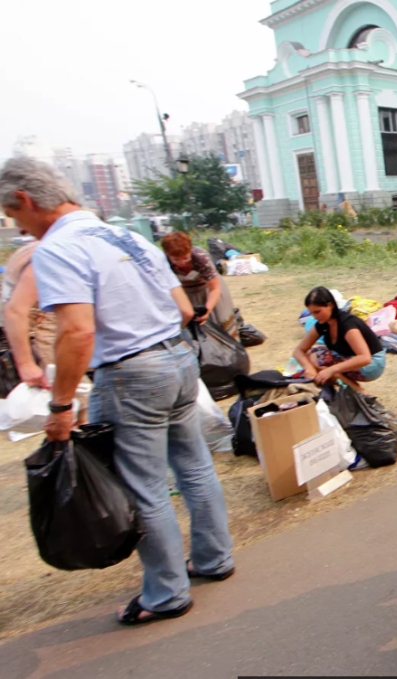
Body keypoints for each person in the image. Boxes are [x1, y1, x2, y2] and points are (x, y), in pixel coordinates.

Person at [0, 158, 234, 625]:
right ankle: (214, 559)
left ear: (25, 199)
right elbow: (182, 309)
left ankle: (166, 594)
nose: (18, 228)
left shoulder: (57, 248)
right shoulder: (129, 237)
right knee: (194, 467)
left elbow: (78, 332)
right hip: (177, 358)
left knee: (144, 485)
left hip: (130, 373)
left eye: (13, 216)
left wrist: (62, 405)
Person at [291, 286, 387, 391]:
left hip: (373, 364)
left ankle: (358, 391)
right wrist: (309, 368)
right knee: (311, 356)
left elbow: (365, 358)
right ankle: (345, 383)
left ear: (330, 305)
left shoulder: (347, 324)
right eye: (312, 313)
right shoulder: (323, 323)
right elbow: (299, 350)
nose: (314, 316)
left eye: (317, 312)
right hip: (355, 358)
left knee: (319, 358)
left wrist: (331, 370)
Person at [160, 232, 238, 338]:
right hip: (185, 293)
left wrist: (207, 310)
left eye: (185, 258)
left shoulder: (200, 257)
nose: (182, 263)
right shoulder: (163, 261)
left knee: (220, 324)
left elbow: (214, 288)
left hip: (209, 290)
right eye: (176, 259)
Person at [1, 238, 57, 387]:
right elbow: (16, 312)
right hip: (39, 340)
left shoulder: (36, 251)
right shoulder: (46, 255)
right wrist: (26, 364)